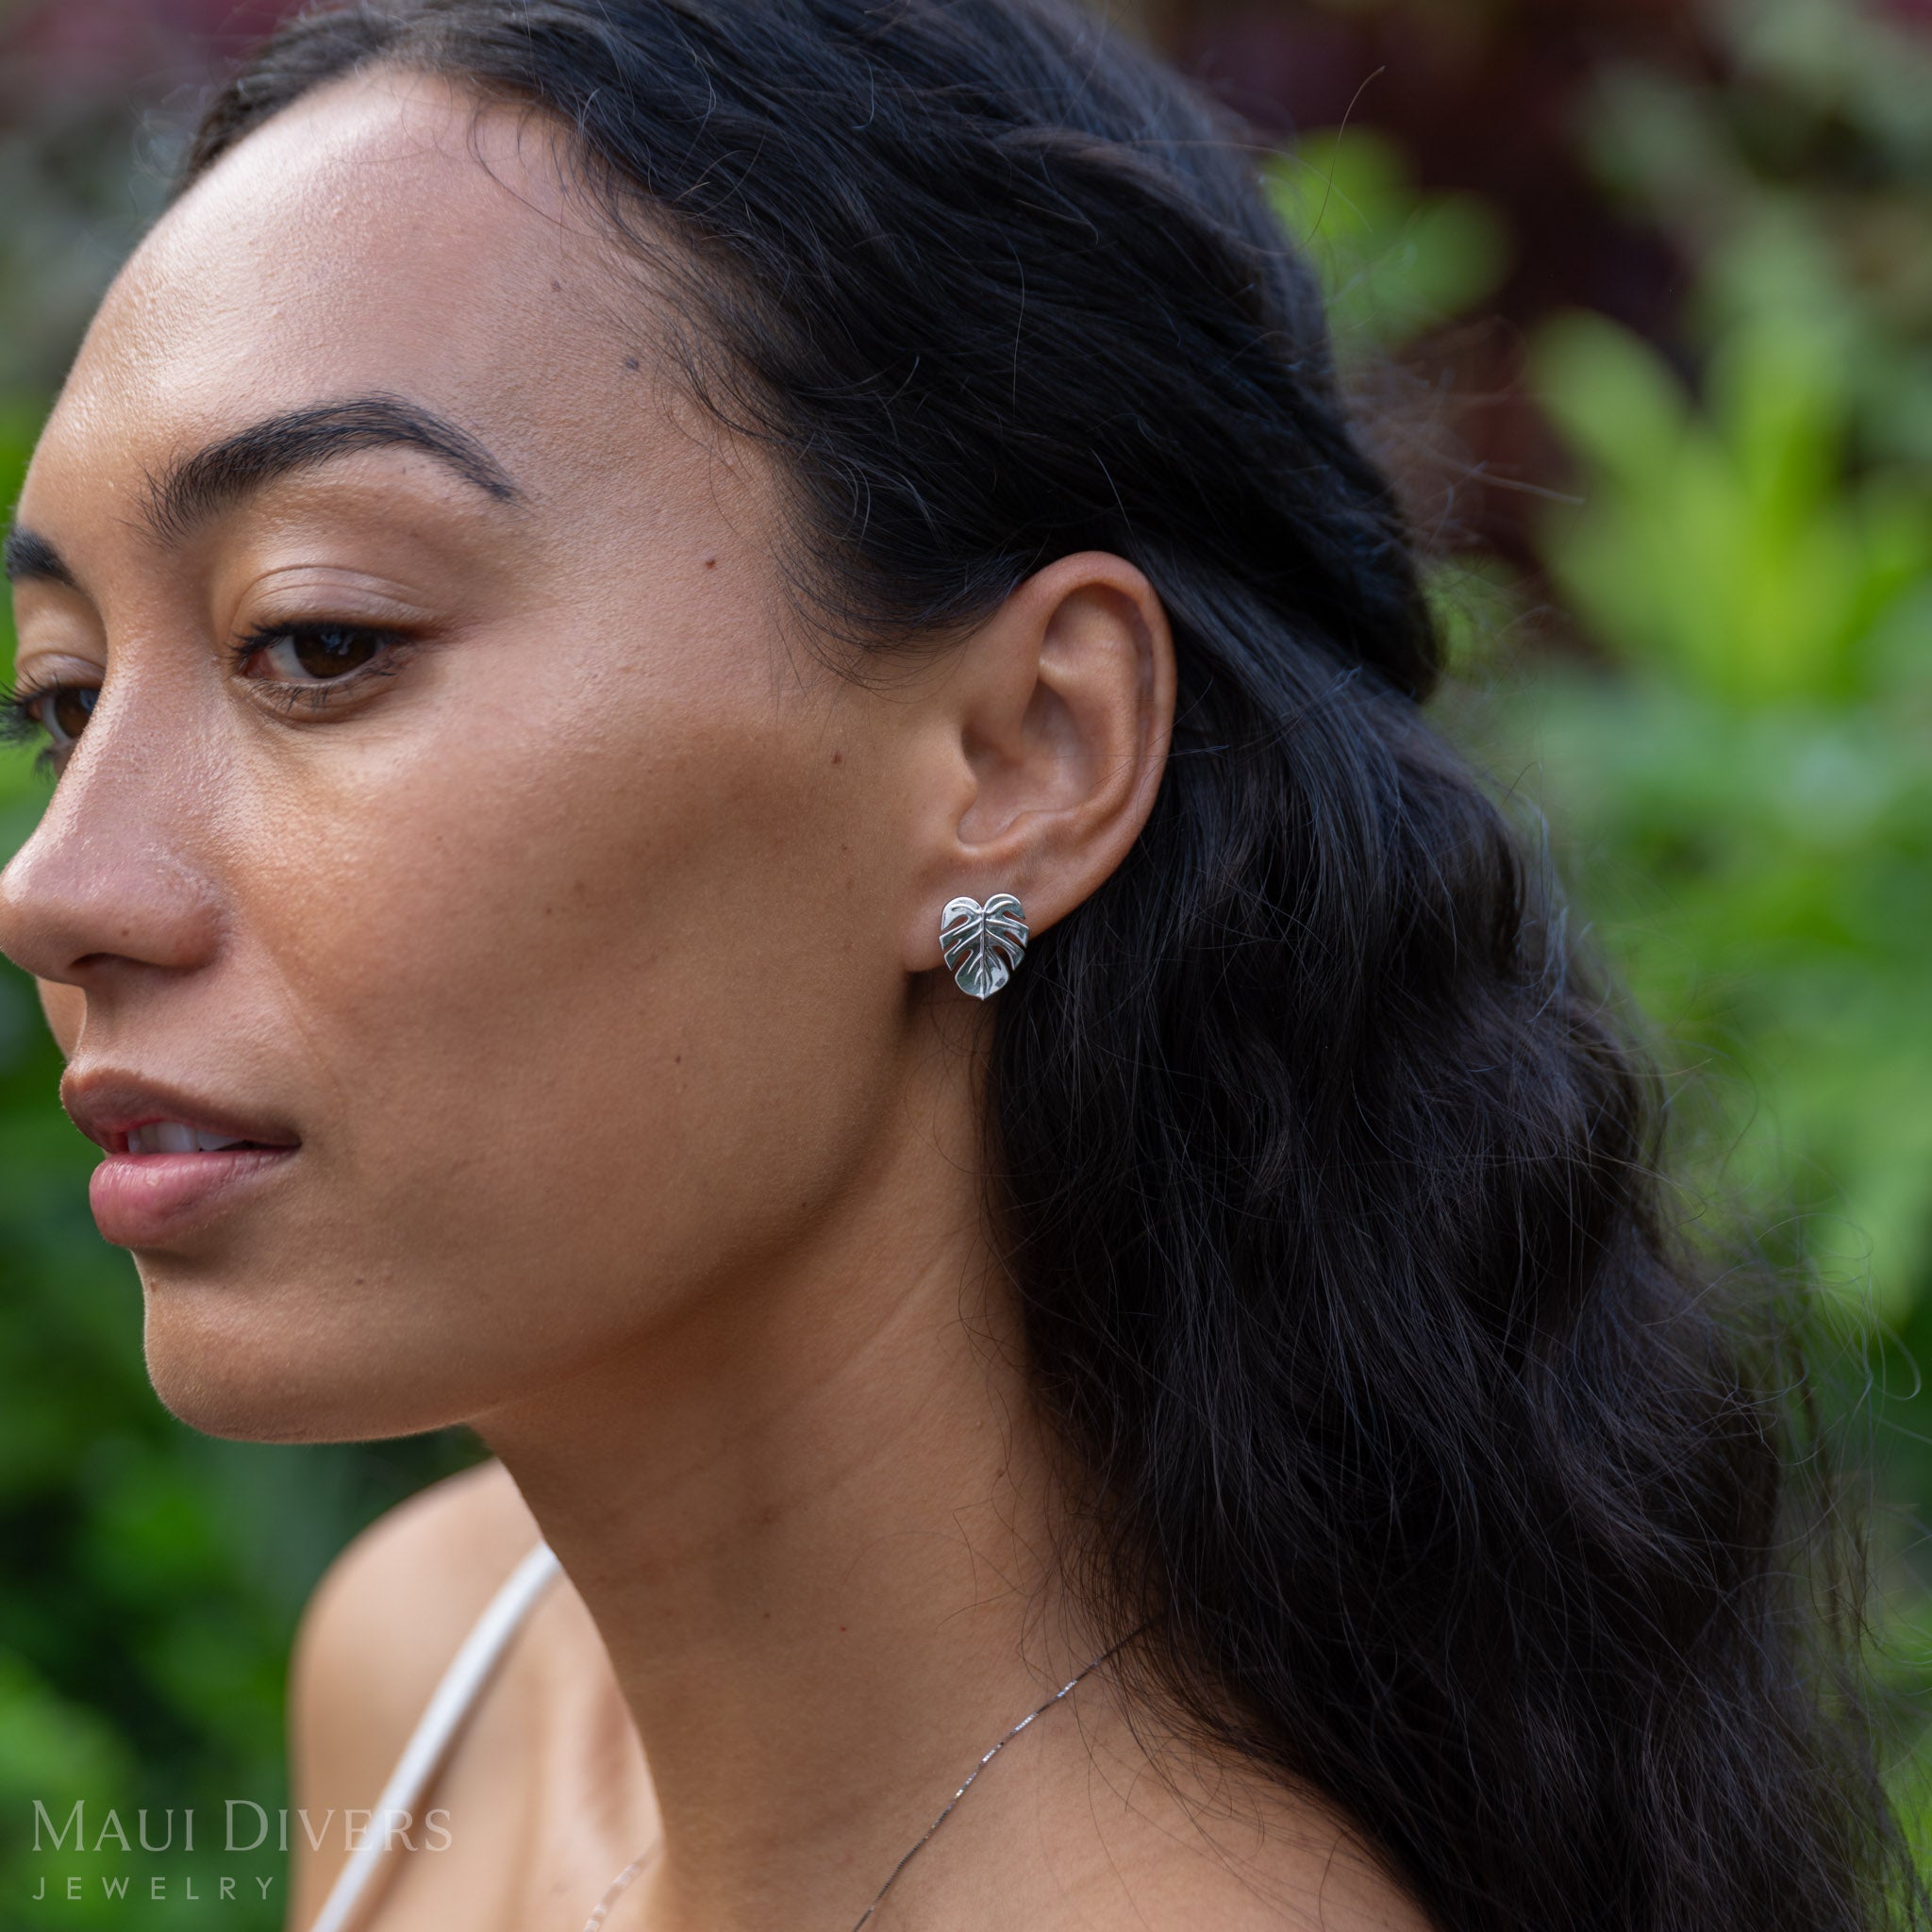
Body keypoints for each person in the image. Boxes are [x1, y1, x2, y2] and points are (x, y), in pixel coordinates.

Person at [0, 1, 1914, 1927]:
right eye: (62, 700)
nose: (56, 886)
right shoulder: (446, 1663)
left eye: (315, 638)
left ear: (1024, 756)